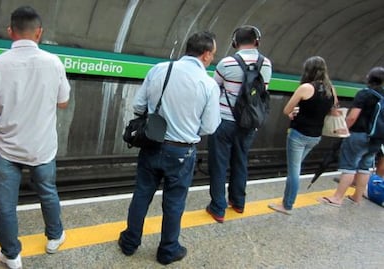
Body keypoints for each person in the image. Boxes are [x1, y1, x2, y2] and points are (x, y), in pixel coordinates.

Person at [0, 6, 70, 269]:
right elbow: (63, 103)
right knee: (48, 193)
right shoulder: (54, 63)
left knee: (6, 205)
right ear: (39, 33)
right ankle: (54, 237)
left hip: (7, 148)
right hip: (42, 148)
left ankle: (12, 255)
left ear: (10, 32)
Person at [118, 31, 221, 265]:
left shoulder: (160, 69)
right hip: (182, 152)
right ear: (205, 55)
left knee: (142, 194)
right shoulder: (208, 84)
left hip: (152, 145)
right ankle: (167, 250)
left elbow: (138, 105)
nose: (212, 59)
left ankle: (129, 242)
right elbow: (210, 126)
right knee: (174, 202)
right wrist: (187, 129)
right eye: (213, 55)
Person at [206, 25, 272, 223]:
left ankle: (218, 208)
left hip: (224, 121)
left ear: (235, 42)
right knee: (240, 160)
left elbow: (213, 88)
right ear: (257, 41)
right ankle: (238, 202)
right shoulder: (266, 64)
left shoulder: (226, 63)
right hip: (249, 123)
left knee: (219, 164)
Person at [267, 56, 337, 215]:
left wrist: (296, 112)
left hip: (299, 135)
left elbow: (287, 110)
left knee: (294, 171)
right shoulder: (331, 89)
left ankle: (287, 205)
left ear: (308, 70)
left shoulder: (306, 87)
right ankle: (287, 200)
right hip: (315, 137)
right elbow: (333, 111)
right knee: (296, 167)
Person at [319, 67, 384, 206]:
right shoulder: (382, 96)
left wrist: (344, 130)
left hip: (358, 135)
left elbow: (353, 117)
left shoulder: (364, 94)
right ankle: (357, 197)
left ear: (369, 78)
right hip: (376, 139)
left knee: (349, 166)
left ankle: (337, 198)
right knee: (365, 167)